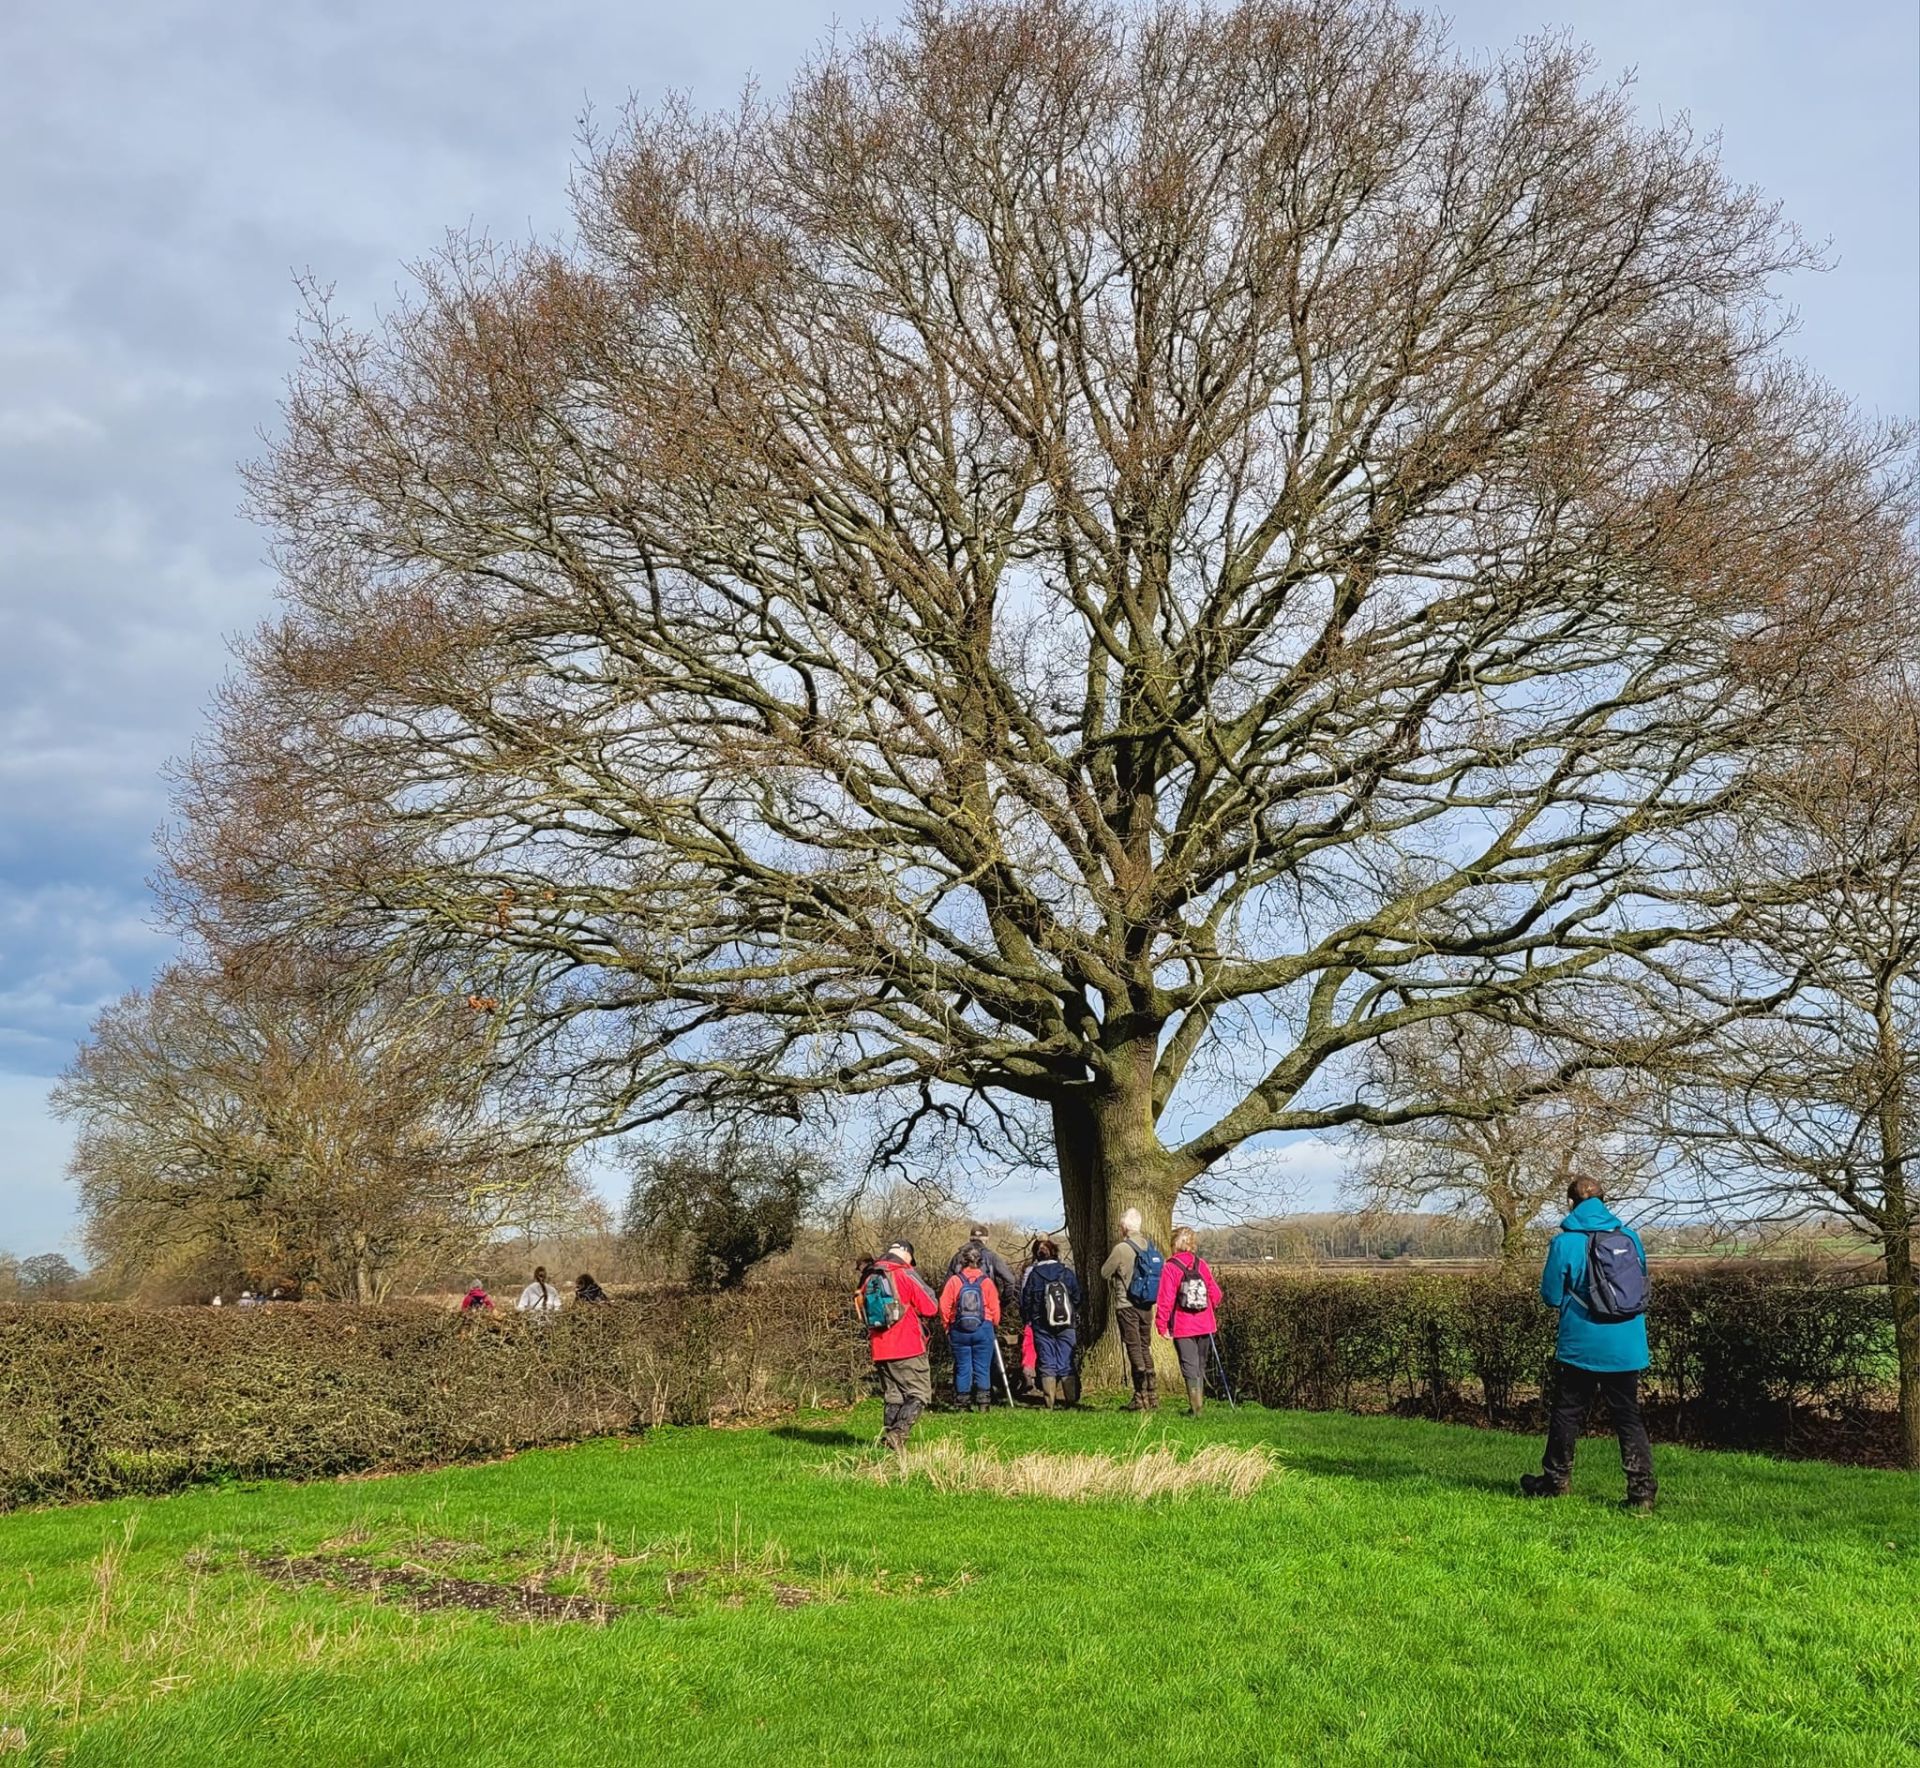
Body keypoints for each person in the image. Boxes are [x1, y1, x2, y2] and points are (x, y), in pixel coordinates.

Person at [1522, 1175, 1656, 1512]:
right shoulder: (1630, 1237)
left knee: (1567, 1413)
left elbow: (1551, 1296)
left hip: (1582, 1344)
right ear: (1603, 1200)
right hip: (1627, 1345)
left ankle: (1555, 1482)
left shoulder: (1565, 1243)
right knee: (1628, 1417)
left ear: (1571, 1204)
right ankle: (1641, 1493)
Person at [856, 1241, 940, 1450]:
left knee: (893, 1395)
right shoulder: (904, 1272)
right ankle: (898, 1433)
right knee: (919, 1392)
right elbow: (930, 1308)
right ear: (906, 1255)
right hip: (908, 1345)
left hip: (880, 1346)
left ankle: (889, 1441)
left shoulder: (869, 1276)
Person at [1099, 1207, 1164, 1411]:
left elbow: (1104, 1272)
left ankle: (1140, 1396)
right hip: (1146, 1304)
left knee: (1134, 1347)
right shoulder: (1150, 1247)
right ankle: (1152, 1396)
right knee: (1145, 1346)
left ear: (1124, 1227)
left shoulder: (1121, 1248)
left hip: (1126, 1304)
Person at [1154, 1227, 1223, 1415]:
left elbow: (1165, 1300)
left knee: (1189, 1366)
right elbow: (1216, 1294)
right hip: (1206, 1323)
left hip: (1183, 1326)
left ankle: (1196, 1409)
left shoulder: (1170, 1267)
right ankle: (1198, 1408)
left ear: (1174, 1243)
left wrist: (1162, 1326)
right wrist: (1210, 1309)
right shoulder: (1202, 1265)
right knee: (1200, 1365)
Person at [1019, 1238, 1082, 1409]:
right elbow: (1077, 1297)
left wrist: (1029, 1320)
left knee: (1047, 1361)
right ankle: (1070, 1401)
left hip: (1041, 1325)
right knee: (1066, 1360)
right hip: (1066, 1324)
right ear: (1055, 1252)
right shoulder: (1066, 1272)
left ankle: (1049, 1402)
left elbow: (1026, 1301)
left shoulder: (1034, 1275)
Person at [939, 1248, 1004, 1412]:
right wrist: (994, 1323)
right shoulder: (986, 1282)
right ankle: (983, 1404)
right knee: (982, 1367)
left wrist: (947, 1324)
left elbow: (944, 1305)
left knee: (963, 1366)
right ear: (980, 1262)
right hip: (983, 1328)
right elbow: (995, 1307)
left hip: (959, 1328)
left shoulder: (954, 1281)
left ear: (962, 1261)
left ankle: (962, 1404)